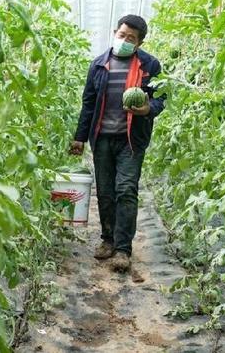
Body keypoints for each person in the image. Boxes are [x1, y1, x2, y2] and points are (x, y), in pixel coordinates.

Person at [69, 15, 165, 272]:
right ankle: (107, 240)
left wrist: (148, 109)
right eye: (122, 35)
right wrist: (79, 137)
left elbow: (161, 99)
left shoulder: (150, 66)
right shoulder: (99, 65)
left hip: (130, 140)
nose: (124, 40)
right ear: (115, 32)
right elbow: (88, 103)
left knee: (125, 190)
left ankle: (123, 249)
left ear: (140, 42)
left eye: (131, 38)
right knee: (106, 192)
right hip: (102, 138)